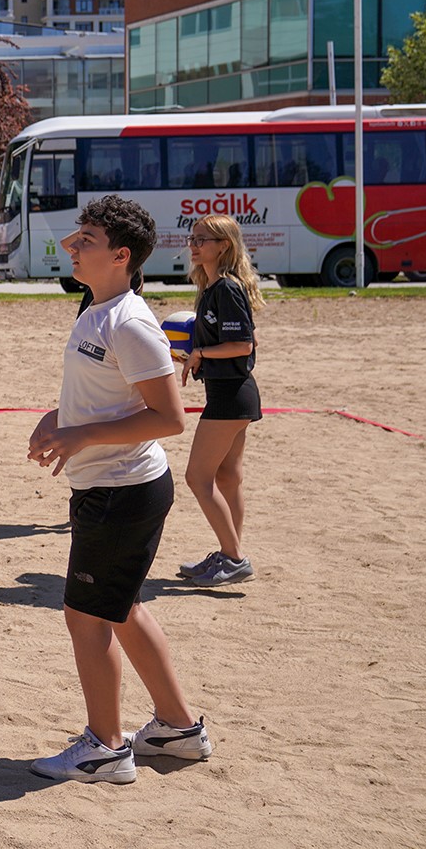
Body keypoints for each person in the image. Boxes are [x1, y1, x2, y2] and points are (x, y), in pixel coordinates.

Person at [25, 195, 211, 783]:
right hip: (110, 486)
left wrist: (79, 435)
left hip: (122, 490)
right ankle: (179, 730)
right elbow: (102, 393)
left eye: (86, 240)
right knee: (121, 607)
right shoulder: (97, 306)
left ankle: (105, 748)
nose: (72, 247)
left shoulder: (131, 322)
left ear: (121, 255)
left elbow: (169, 418)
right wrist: (57, 420)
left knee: (87, 615)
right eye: (76, 237)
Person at [177, 214, 263, 587]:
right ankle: (230, 555)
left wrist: (200, 354)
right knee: (228, 478)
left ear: (223, 246)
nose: (194, 245)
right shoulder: (212, 287)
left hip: (231, 395)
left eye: (203, 240)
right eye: (193, 238)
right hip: (230, 392)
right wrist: (193, 353)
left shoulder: (226, 287)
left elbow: (244, 344)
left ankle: (234, 557)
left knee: (197, 477)